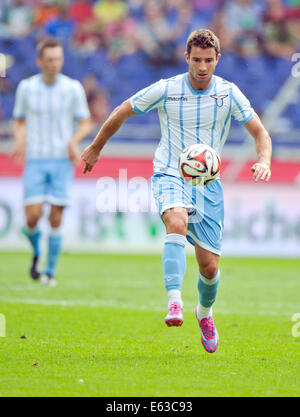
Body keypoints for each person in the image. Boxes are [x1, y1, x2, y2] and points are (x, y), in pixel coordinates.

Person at [81, 29, 272, 353]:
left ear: (217, 60)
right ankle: (174, 302)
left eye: (208, 61)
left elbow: (260, 132)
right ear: (186, 58)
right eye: (196, 60)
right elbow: (123, 111)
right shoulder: (167, 89)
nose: (202, 66)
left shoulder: (228, 93)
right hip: (170, 172)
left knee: (209, 268)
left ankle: (205, 313)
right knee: (176, 222)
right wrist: (97, 147)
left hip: (208, 184)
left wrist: (264, 160)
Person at [12, 38, 92, 287]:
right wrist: (20, 139)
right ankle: (37, 250)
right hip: (35, 158)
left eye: (58, 59)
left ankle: (50, 271)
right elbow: (18, 119)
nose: (55, 63)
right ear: (40, 62)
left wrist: (73, 142)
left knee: (56, 218)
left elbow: (85, 122)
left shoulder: (72, 88)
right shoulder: (26, 88)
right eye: (50, 59)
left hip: (61, 160)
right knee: (32, 217)